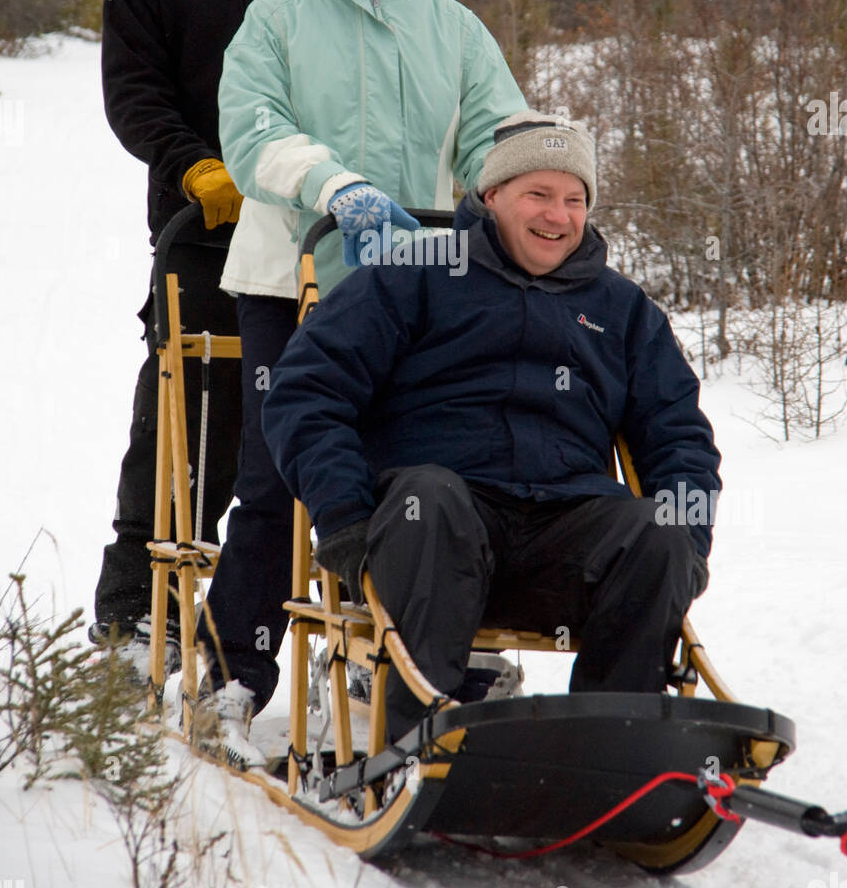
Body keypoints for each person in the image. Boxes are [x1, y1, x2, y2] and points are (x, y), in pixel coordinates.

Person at [192, 0, 525, 762]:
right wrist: (335, 185)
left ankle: (415, 665)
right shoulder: (280, 15)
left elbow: (494, 133)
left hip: (413, 280)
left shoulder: (452, 26)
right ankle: (231, 675)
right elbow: (250, 129)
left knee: (417, 467)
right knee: (281, 475)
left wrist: (535, 190)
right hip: (290, 277)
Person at [263, 112, 721, 743]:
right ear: (491, 195)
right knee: (434, 499)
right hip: (434, 531)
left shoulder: (623, 310)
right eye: (538, 194)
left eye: (574, 199)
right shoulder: (417, 272)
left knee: (659, 533)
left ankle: (614, 750)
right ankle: (413, 746)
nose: (557, 216)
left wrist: (690, 541)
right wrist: (343, 513)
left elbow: (680, 437)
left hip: (566, 537)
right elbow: (308, 389)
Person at [91, 0, 310, 668]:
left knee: (306, 421)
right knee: (191, 420)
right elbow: (132, 91)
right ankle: (137, 608)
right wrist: (194, 168)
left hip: (310, 232)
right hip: (204, 226)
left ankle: (269, 614)